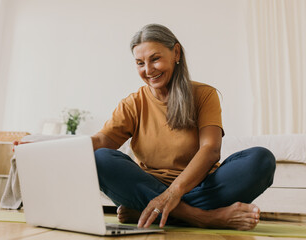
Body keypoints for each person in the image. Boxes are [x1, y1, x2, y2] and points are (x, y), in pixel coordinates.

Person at [91, 23, 276, 231]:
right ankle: (205, 218)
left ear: (176, 52)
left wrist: (171, 194)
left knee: (261, 159)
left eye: (155, 59)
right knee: (100, 158)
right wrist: (60, 149)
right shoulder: (133, 104)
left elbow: (211, 150)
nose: (148, 70)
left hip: (200, 187)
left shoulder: (204, 95)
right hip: (147, 189)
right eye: (140, 63)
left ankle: (151, 211)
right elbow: (101, 142)